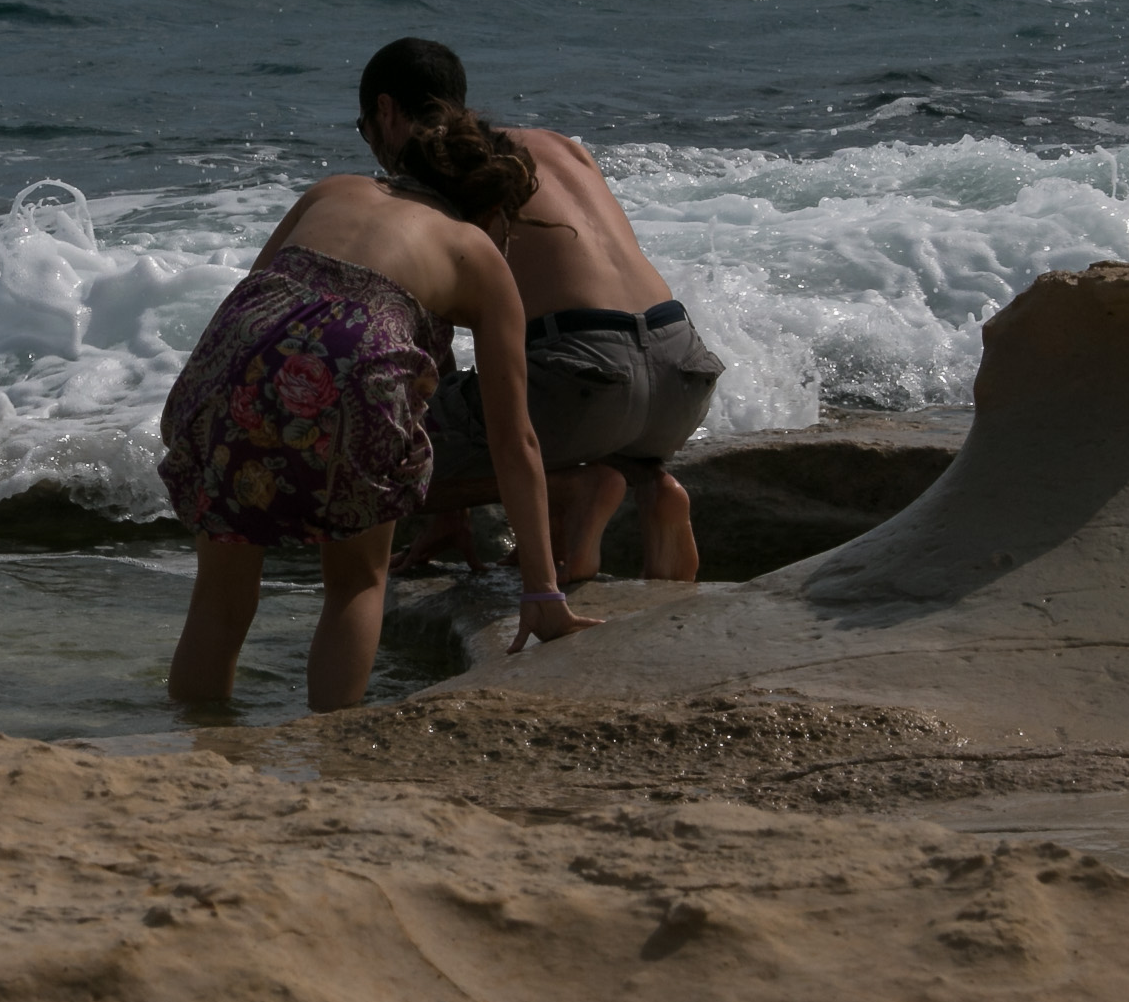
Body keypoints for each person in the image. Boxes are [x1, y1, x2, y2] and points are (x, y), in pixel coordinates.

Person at [159, 42, 601, 714]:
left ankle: (190, 740)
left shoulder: (333, 190)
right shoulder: (478, 255)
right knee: (355, 584)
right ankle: (329, 743)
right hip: (357, 360)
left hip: (236, 355)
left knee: (221, 591)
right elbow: (515, 441)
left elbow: (260, 298)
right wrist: (541, 590)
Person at [376, 44, 723, 585]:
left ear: (385, 112)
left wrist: (446, 507)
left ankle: (573, 491)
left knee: (372, 453)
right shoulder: (558, 147)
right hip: (682, 372)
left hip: (584, 379)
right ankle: (652, 486)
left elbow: (428, 340)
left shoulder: (437, 173)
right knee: (552, 391)